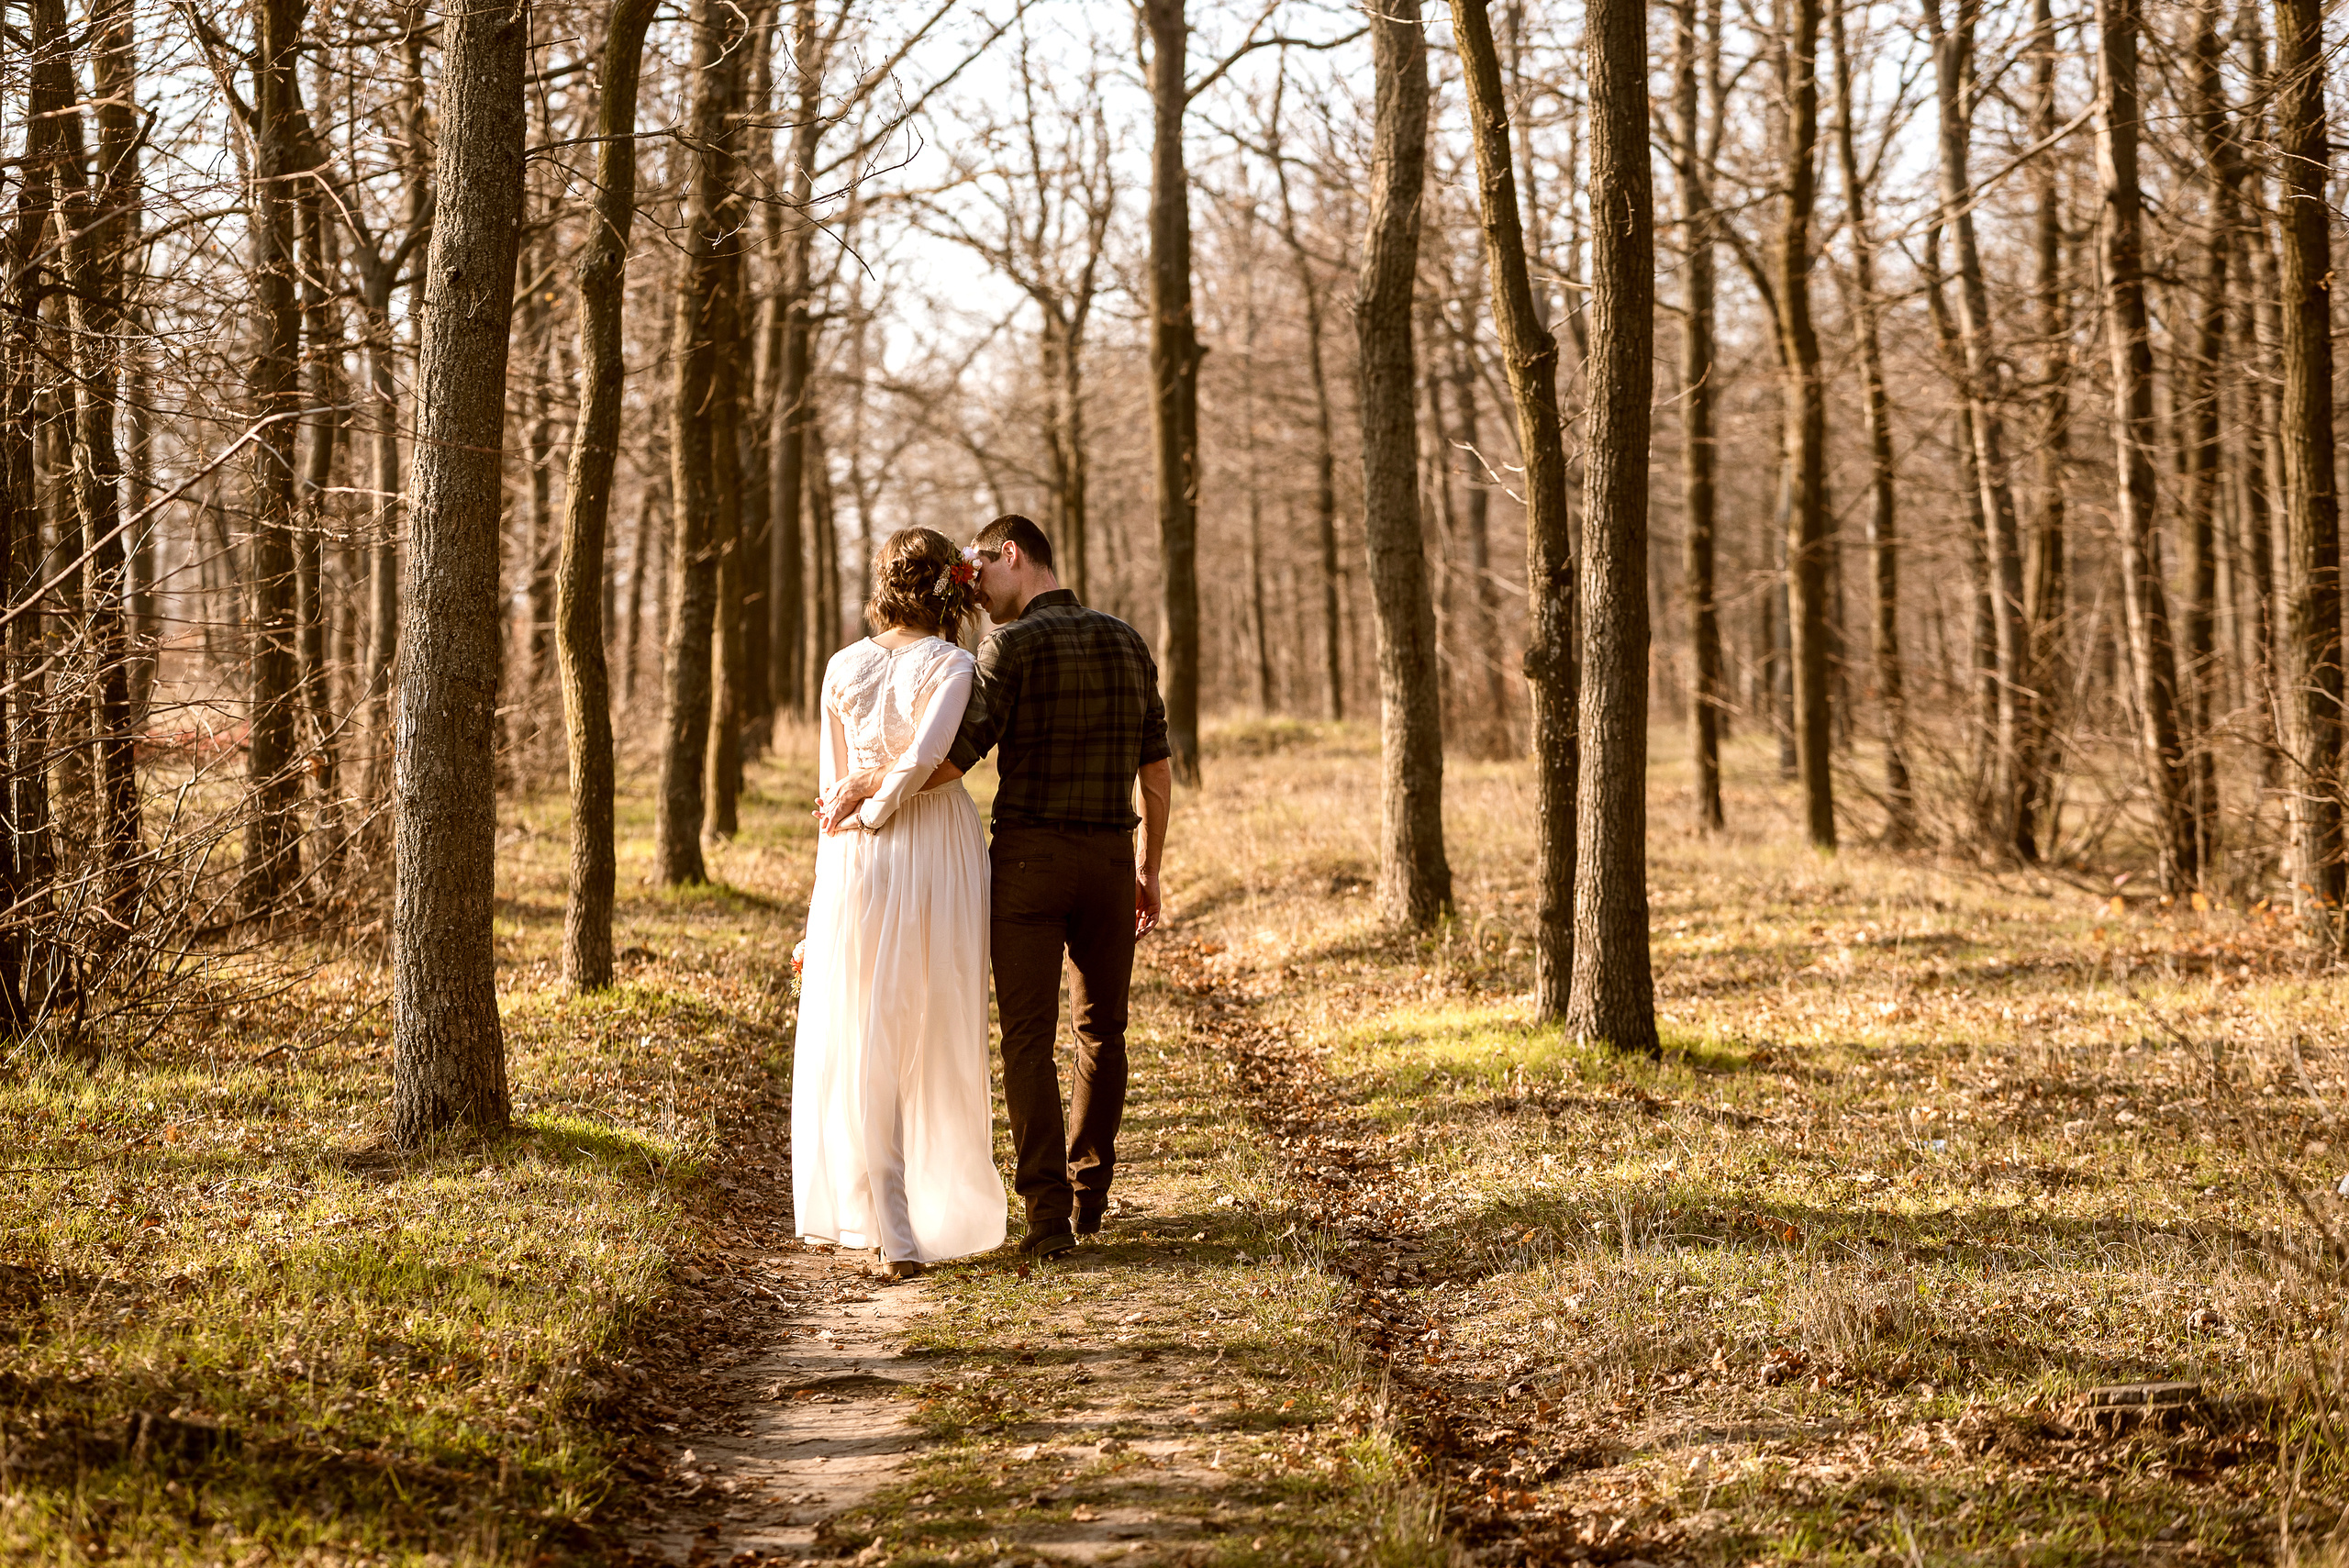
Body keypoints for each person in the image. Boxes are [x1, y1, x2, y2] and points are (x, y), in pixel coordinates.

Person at [839, 515, 1172, 1261]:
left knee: (1027, 1035)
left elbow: (953, 761)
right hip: (1111, 862)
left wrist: (870, 780)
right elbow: (1156, 769)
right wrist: (1150, 865)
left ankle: (1047, 1218)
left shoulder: (1008, 646)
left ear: (1011, 553)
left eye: (981, 570)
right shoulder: (1127, 639)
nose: (976, 590)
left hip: (1028, 865)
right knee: (1102, 1031)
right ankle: (1091, 1197)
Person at [792, 527, 1007, 1279]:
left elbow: (833, 790)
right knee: (932, 1019)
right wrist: (874, 808)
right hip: (928, 849)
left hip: (856, 852)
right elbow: (923, 760)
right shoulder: (951, 664)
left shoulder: (840, 665)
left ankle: (896, 1217)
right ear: (947, 588)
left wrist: (853, 822)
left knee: (870, 1028)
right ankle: (904, 1219)